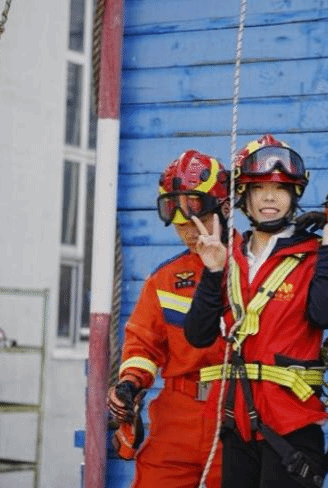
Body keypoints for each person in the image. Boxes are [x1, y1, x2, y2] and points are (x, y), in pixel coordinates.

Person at [183, 134, 328, 488]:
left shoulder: (313, 254)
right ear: (243, 197)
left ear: (295, 195)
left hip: (291, 426)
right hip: (237, 422)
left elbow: (324, 316)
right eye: (258, 188)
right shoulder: (228, 256)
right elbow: (198, 335)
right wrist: (213, 271)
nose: (269, 198)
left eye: (280, 188)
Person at [107, 149, 231, 488]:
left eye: (196, 221)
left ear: (225, 208)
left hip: (236, 412)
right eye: (180, 226)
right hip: (178, 413)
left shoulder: (253, 268)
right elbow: (143, 345)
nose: (189, 233)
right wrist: (130, 382)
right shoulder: (165, 279)